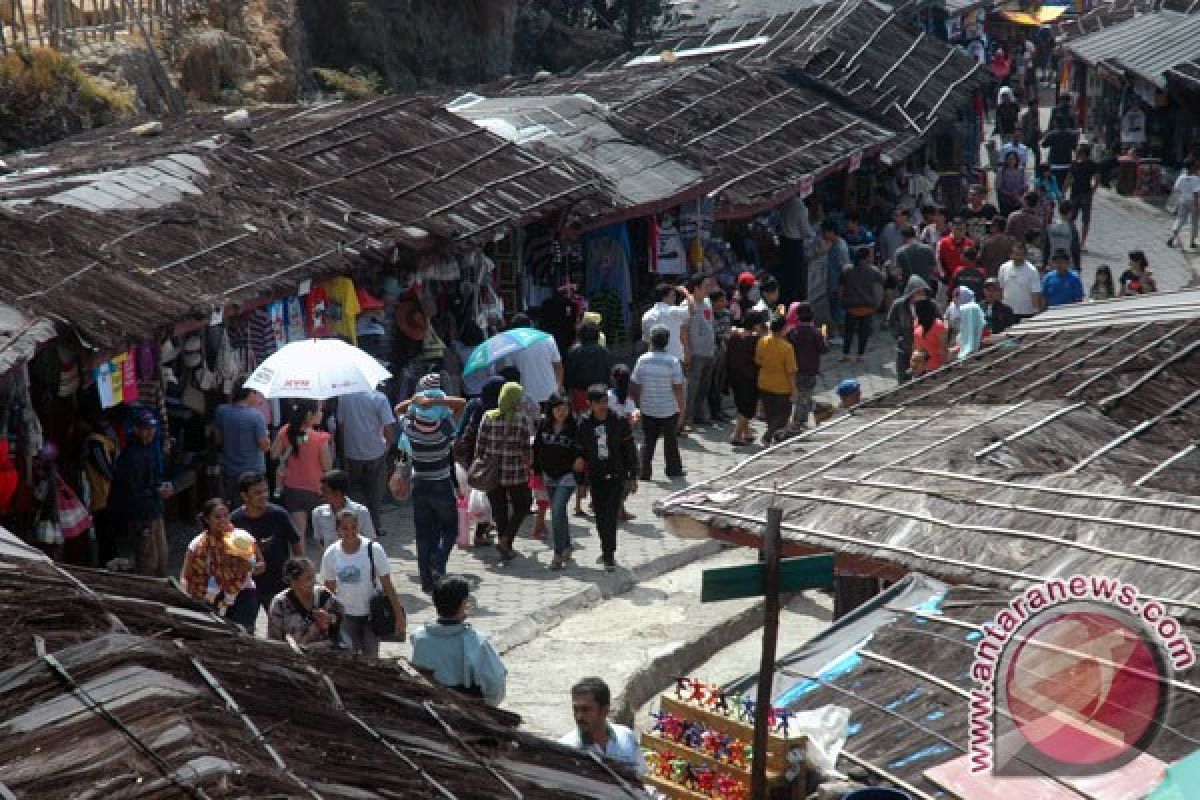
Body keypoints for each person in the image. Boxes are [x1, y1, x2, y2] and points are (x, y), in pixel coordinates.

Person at [398, 374, 462, 594]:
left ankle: (428, 581)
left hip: (419, 484)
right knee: (450, 529)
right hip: (441, 483)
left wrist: (417, 400)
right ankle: (439, 563)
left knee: (424, 535)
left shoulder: (410, 425)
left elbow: (398, 408)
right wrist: (437, 401)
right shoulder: (444, 427)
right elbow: (461, 403)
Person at [410, 576, 508, 705]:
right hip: (468, 711)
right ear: (463, 604)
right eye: (467, 601)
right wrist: (487, 709)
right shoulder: (476, 642)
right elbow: (495, 683)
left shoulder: (418, 637)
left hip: (429, 707)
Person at [321, 508, 404, 655]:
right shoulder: (331, 554)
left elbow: (387, 585)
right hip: (345, 616)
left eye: (353, 527)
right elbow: (328, 589)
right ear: (338, 530)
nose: (350, 532)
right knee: (347, 657)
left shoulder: (373, 549)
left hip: (371, 615)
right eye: (344, 528)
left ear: (358, 526)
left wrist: (398, 615)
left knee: (371, 658)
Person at [574, 385, 638, 572]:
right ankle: (606, 549)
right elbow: (580, 451)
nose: (602, 406)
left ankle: (609, 554)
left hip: (616, 475)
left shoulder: (618, 421)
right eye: (598, 403)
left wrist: (632, 475)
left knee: (610, 515)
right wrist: (581, 481)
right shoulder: (584, 424)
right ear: (590, 404)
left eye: (604, 402)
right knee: (601, 517)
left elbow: (629, 450)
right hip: (596, 476)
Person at [180, 498, 263, 630]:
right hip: (209, 596)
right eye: (217, 517)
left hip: (243, 593)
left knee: (243, 635)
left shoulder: (242, 538)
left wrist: (249, 566)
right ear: (207, 519)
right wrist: (186, 596)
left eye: (226, 516)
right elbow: (186, 575)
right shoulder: (197, 545)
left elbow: (261, 565)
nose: (223, 520)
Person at [474, 382, 534, 562]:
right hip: (515, 473)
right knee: (523, 506)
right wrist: (529, 464)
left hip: (492, 474)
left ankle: (504, 542)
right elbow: (526, 448)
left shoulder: (488, 416)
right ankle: (506, 540)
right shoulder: (521, 419)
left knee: (499, 511)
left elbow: (479, 447)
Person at [231, 471, 303, 614]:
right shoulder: (235, 520)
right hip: (247, 587)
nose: (263, 495)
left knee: (279, 630)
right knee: (245, 629)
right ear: (244, 496)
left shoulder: (279, 515)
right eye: (257, 493)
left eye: (265, 491)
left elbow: (295, 542)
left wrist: (298, 572)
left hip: (278, 584)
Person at [111, 412, 172, 577]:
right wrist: (155, 491)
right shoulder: (130, 456)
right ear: (137, 430)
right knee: (147, 559)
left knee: (161, 556)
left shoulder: (151, 450)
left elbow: (154, 478)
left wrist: (162, 486)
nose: (150, 432)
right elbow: (129, 491)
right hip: (140, 515)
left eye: (152, 428)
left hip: (154, 510)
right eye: (145, 428)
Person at [337, 386, 396, 537]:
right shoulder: (380, 398)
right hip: (376, 451)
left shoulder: (344, 398)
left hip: (352, 452)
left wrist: (343, 450)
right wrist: (388, 445)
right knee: (375, 493)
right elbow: (388, 426)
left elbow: (341, 426)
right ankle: (375, 526)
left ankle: (357, 526)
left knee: (355, 492)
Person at [270, 399, 333, 542]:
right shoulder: (320, 438)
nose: (322, 414)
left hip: (292, 489)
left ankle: (300, 562)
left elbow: (273, 454)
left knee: (299, 533)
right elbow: (327, 467)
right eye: (320, 410)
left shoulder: (286, 431)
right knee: (324, 531)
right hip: (316, 489)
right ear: (310, 414)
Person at [559, 677, 647, 777]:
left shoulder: (626, 737)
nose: (579, 716)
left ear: (604, 711)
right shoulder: (566, 749)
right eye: (576, 709)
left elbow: (643, 778)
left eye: (585, 710)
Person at [630, 325, 685, 480]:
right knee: (671, 441)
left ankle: (644, 472)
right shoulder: (673, 362)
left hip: (648, 408)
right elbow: (678, 388)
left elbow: (636, 384)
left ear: (652, 341)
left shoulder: (642, 360)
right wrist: (682, 408)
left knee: (648, 440)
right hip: (669, 409)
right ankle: (673, 470)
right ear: (667, 342)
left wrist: (639, 404)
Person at [532, 393, 579, 569]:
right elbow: (537, 448)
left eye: (565, 409)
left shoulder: (574, 427)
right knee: (559, 513)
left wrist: (582, 481)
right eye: (558, 409)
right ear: (551, 410)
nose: (562, 412)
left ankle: (558, 553)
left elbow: (580, 450)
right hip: (548, 475)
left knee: (557, 509)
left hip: (567, 475)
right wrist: (536, 471)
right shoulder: (544, 425)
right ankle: (567, 546)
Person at [267, 556, 344, 647]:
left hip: (326, 655)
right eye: (308, 578)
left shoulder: (324, 595)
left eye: (314, 577)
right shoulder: (280, 604)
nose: (314, 582)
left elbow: (343, 619)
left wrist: (330, 618)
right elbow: (274, 640)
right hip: (293, 656)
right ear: (294, 582)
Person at [213, 386, 269, 506]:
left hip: (231, 470)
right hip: (254, 471)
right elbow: (264, 446)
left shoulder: (221, 411)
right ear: (250, 394)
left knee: (236, 508)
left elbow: (218, 440)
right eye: (256, 393)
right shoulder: (257, 416)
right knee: (256, 506)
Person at [755, 314, 798, 445]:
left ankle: (775, 437)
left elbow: (758, 360)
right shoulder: (787, 348)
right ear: (783, 329)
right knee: (784, 414)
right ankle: (768, 436)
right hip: (781, 386)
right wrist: (794, 389)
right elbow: (790, 371)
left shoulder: (762, 341)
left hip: (764, 383)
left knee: (770, 414)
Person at [504, 313, 563, 406]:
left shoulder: (511, 345)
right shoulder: (547, 338)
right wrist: (558, 387)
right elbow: (558, 366)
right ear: (530, 325)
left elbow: (510, 372)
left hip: (527, 397)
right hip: (551, 393)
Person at [682, 274, 717, 430]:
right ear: (696, 288)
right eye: (706, 286)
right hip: (695, 353)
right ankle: (687, 419)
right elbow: (684, 330)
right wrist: (687, 350)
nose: (709, 289)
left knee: (704, 387)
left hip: (709, 352)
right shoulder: (687, 305)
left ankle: (699, 415)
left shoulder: (707, 302)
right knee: (692, 388)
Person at [726, 310, 765, 447]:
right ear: (756, 325)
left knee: (741, 403)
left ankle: (747, 432)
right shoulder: (755, 340)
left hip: (734, 374)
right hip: (749, 376)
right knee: (747, 406)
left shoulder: (735, 336)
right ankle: (736, 435)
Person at [787, 302, 827, 430]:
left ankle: (802, 419)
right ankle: (798, 422)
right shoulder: (816, 333)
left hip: (794, 369)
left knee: (799, 395)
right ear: (812, 316)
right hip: (809, 370)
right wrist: (824, 338)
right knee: (804, 396)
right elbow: (823, 350)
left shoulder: (793, 332)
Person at [839, 247, 884, 363]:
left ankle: (845, 355)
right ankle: (860, 355)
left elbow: (841, 287)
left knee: (848, 332)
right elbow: (883, 280)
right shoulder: (872, 270)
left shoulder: (847, 270)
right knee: (863, 333)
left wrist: (842, 300)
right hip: (867, 307)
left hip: (851, 307)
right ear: (866, 257)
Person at [311, 469, 375, 549]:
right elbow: (320, 541)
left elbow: (370, 541)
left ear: (337, 493)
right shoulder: (317, 513)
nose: (320, 493)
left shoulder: (361, 512)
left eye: (325, 491)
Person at [887, 276, 929, 384]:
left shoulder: (929, 304)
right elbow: (890, 322)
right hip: (904, 347)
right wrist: (898, 335)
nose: (921, 295)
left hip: (921, 348)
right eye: (918, 292)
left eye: (922, 292)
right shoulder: (899, 305)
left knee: (922, 378)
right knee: (903, 378)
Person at [563, 321, 612, 414]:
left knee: (582, 422)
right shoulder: (604, 351)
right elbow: (609, 373)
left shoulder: (574, 351)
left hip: (580, 394)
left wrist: (567, 392)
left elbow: (568, 375)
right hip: (601, 394)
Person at [640, 283, 691, 362]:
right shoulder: (673, 311)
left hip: (655, 360)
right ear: (665, 297)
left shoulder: (646, 316)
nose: (675, 298)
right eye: (673, 295)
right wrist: (685, 292)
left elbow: (647, 342)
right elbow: (693, 309)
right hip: (675, 357)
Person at [819, 219, 851, 341]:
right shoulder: (833, 245)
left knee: (839, 311)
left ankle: (842, 335)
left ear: (831, 232)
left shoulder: (840, 247)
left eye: (824, 232)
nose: (822, 235)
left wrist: (841, 287)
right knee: (835, 310)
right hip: (833, 283)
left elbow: (845, 269)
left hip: (838, 284)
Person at [998, 241, 1044, 320]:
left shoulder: (1032, 270)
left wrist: (1036, 312)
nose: (1017, 257)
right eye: (1015, 254)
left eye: (1020, 255)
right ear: (1011, 254)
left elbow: (1035, 293)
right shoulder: (1003, 267)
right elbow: (1000, 289)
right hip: (1007, 312)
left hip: (1026, 313)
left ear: (1025, 256)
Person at [707, 287, 733, 424]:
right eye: (722, 300)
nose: (725, 302)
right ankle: (714, 411)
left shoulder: (727, 314)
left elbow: (728, 330)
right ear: (714, 302)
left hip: (724, 352)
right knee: (713, 383)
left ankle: (719, 410)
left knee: (721, 383)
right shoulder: (709, 315)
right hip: (713, 353)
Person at [1067, 142, 1099, 249]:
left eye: (1078, 152)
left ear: (1083, 153)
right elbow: (1069, 179)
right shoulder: (1074, 164)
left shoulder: (1092, 165)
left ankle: (1082, 242)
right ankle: (1073, 239)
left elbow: (1096, 179)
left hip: (1084, 193)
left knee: (1084, 219)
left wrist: (1092, 192)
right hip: (1076, 193)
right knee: (1071, 217)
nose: (1076, 153)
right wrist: (1063, 191)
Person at [936, 218, 975, 295]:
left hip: (965, 280)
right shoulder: (943, 242)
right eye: (958, 229)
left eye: (963, 229)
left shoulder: (970, 243)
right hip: (946, 281)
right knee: (942, 304)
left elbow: (973, 262)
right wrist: (944, 276)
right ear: (952, 229)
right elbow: (938, 260)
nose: (960, 231)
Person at [1167, 158, 1200, 250]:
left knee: (1180, 219)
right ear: (1193, 167)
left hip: (1183, 200)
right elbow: (1196, 193)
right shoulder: (1196, 178)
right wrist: (1197, 206)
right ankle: (1192, 242)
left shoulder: (1181, 177)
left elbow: (1175, 189)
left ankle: (1172, 237)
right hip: (1193, 201)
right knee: (1194, 222)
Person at [911, 299, 948, 377]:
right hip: (919, 368)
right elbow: (915, 346)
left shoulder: (938, 325)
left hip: (934, 369)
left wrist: (944, 367)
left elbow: (943, 349)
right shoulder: (917, 322)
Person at [1041, 120, 1079, 192]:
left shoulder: (1052, 134)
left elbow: (1043, 144)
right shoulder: (1071, 134)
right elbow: (1075, 147)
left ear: (1056, 123)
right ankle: (1061, 200)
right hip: (1066, 164)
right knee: (1063, 186)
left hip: (1054, 164)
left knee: (1053, 187)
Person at [948, 287, 986, 360]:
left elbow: (971, 337)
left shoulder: (971, 309)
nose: (954, 298)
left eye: (957, 295)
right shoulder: (953, 308)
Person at [996, 152, 1028, 217]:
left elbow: (1025, 185)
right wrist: (1010, 194)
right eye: (1009, 159)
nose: (1011, 161)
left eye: (1013, 159)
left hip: (1019, 197)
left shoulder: (1021, 170)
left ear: (1016, 160)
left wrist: (1018, 195)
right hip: (1005, 198)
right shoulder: (1001, 171)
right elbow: (998, 187)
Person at [1018, 99, 1042, 170]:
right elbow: (1023, 128)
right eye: (1035, 105)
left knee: (1038, 155)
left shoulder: (1037, 113)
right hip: (1026, 139)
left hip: (1034, 139)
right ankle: (1022, 168)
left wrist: (1038, 132)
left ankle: (1037, 169)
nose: (1037, 107)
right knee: (1023, 155)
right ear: (1030, 106)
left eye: (1037, 105)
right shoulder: (1025, 116)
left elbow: (1036, 125)